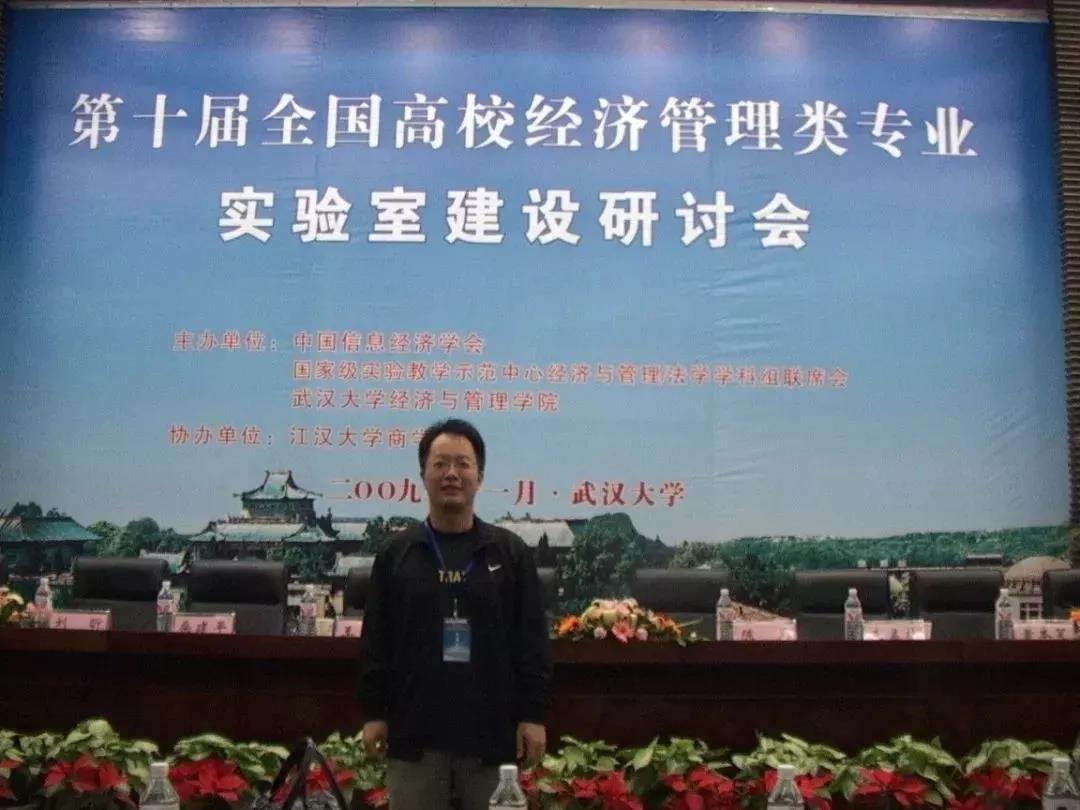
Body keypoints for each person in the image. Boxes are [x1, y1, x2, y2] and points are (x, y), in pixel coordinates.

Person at [358, 419, 552, 810]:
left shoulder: (509, 553)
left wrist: (532, 715)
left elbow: (531, 641)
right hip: (415, 735)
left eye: (463, 464)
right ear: (423, 475)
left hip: (492, 736)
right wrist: (374, 713)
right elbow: (376, 641)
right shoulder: (397, 554)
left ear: (480, 476)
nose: (451, 474)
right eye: (440, 464)